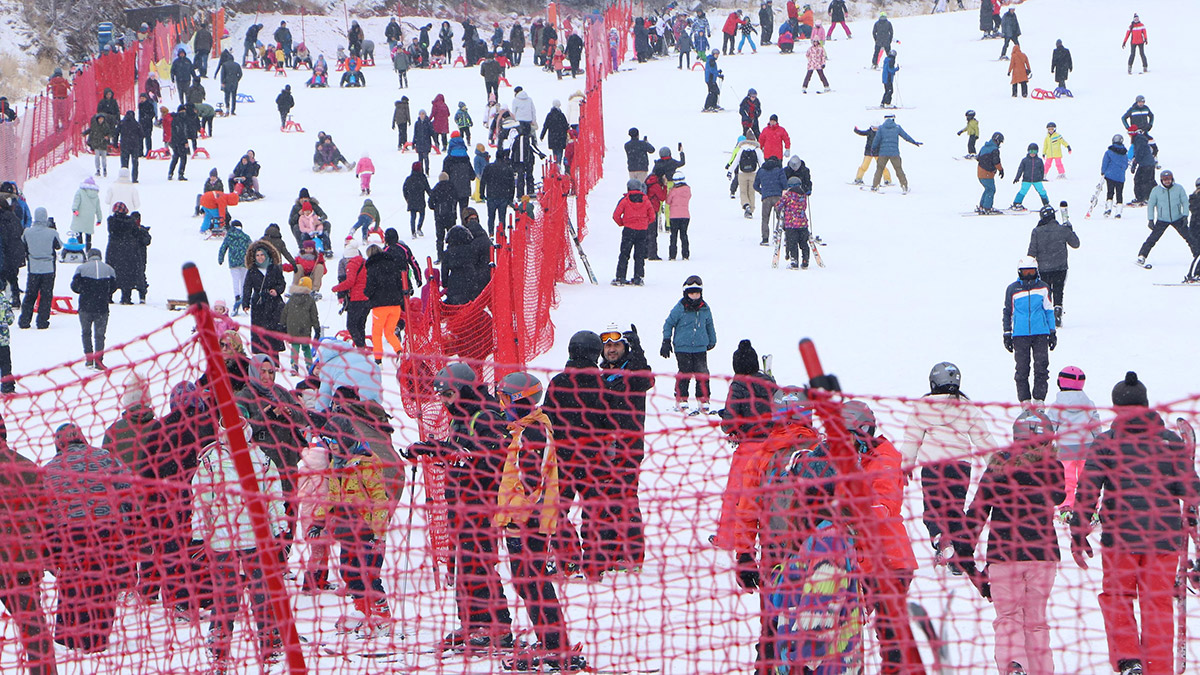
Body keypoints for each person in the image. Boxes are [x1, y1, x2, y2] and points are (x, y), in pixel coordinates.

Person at [1071, 371, 1200, 675]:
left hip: (1121, 540)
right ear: (1146, 405)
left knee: (1118, 597)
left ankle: (1129, 660)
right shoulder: (1170, 442)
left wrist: (1079, 532)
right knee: (1158, 606)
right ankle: (1158, 667)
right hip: (1164, 540)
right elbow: (1191, 492)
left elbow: (1088, 489)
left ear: (1117, 408)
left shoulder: (1106, 442)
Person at [489, 372, 587, 673]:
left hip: (528, 521)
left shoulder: (533, 432)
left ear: (519, 400)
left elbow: (531, 482)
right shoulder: (524, 430)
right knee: (527, 582)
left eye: (506, 399)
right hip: (525, 518)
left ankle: (555, 645)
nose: (503, 405)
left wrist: (517, 518)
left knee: (532, 582)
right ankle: (552, 641)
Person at [964, 410, 1063, 675]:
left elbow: (978, 510)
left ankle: (1014, 666)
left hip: (1004, 554)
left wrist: (966, 553)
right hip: (1042, 555)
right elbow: (1059, 495)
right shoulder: (1053, 467)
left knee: (1008, 618)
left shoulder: (999, 463)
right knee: (1036, 622)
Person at [190, 419, 287, 671]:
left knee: (252, 594)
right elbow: (201, 501)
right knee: (235, 595)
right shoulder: (214, 461)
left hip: (249, 540)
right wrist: (199, 535)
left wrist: (279, 531)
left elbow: (274, 499)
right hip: (231, 540)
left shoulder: (260, 459)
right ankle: (224, 648)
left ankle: (264, 645)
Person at [43, 423, 136, 653]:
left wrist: (52, 546)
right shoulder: (105, 458)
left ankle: (67, 636)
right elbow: (128, 487)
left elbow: (44, 510)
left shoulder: (50, 469)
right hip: (106, 529)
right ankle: (97, 638)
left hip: (70, 533)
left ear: (58, 443)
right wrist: (125, 519)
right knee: (103, 581)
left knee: (72, 583)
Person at [899, 362, 995, 570]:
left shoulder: (923, 407)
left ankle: (941, 539)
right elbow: (983, 437)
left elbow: (912, 439)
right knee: (955, 509)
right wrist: (996, 465)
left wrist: (905, 465)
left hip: (933, 466)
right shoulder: (966, 406)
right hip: (961, 467)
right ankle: (958, 554)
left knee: (933, 508)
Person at [1003, 256, 1056, 406]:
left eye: (1031, 272)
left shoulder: (1043, 287)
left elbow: (1049, 310)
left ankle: (1039, 400)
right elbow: (1008, 312)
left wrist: (1052, 332)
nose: (1028, 275)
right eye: (1025, 272)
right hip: (1020, 335)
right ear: (1019, 272)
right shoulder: (1012, 289)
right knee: (1021, 369)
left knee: (1041, 368)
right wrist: (1007, 333)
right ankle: (1025, 401)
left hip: (1040, 334)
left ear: (1036, 271)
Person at [1045, 367, 1100, 513]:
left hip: (1065, 448)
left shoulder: (1057, 405)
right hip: (1086, 446)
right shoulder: (1089, 403)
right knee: (1086, 478)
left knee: (1067, 478)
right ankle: (1090, 506)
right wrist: (1098, 441)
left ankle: (1066, 504)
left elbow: (1050, 426)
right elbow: (1095, 425)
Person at [661, 275, 716, 413]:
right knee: (685, 372)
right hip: (682, 347)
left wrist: (712, 340)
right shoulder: (680, 308)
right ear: (686, 293)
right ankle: (681, 398)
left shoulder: (705, 308)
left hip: (700, 347)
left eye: (697, 293)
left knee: (702, 373)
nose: (695, 296)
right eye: (691, 293)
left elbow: (709, 324)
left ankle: (703, 399)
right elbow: (668, 324)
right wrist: (666, 340)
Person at [1138, 170, 1196, 268]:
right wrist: (1150, 219)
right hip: (1162, 219)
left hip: (1178, 218)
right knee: (1152, 238)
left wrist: (1185, 215)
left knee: (1189, 238)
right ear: (1161, 180)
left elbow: (1185, 202)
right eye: (1164, 179)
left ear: (1172, 179)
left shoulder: (1179, 188)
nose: (1167, 181)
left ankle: (1197, 255)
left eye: (1169, 179)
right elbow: (1151, 205)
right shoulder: (1156, 190)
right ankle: (1142, 256)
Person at [241, 239, 286, 360]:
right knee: (259, 334)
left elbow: (282, 283)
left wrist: (276, 290)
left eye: (262, 255)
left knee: (273, 334)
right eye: (257, 255)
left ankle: (275, 362)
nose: (260, 258)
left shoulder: (275, 268)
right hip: (258, 305)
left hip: (273, 305)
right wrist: (245, 303)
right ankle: (261, 362)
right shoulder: (252, 271)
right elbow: (247, 287)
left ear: (267, 255)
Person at [19, 207, 61, 330]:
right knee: (46, 295)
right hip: (48, 268)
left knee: (30, 294)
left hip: (33, 268)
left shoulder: (27, 232)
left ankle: (25, 320)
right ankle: (42, 321)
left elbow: (23, 245)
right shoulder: (52, 233)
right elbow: (58, 246)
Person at [611, 179, 655, 286]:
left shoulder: (625, 200)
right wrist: (644, 223)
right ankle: (638, 278)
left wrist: (623, 223)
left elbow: (616, 215)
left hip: (629, 230)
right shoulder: (646, 200)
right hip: (642, 231)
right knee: (639, 255)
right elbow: (652, 216)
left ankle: (620, 277)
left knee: (624, 254)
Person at [871, 113, 919, 193]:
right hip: (894, 153)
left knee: (879, 169)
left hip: (883, 153)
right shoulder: (897, 127)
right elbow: (905, 136)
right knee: (898, 169)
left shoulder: (881, 128)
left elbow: (876, 140)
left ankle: (875, 186)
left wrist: (873, 148)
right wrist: (914, 142)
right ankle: (904, 186)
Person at [774, 177, 811, 269]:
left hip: (791, 224)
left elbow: (779, 205)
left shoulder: (788, 195)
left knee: (793, 243)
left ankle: (794, 261)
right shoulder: (803, 195)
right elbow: (804, 207)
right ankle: (805, 260)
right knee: (803, 243)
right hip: (803, 224)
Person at [753, 154, 787, 246]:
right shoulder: (779, 170)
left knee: (765, 218)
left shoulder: (761, 171)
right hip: (778, 197)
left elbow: (755, 185)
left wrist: (762, 191)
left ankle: (765, 239)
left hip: (766, 198)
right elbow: (785, 185)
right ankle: (779, 234)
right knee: (781, 217)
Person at [480, 149, 515, 237]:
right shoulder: (508, 168)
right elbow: (512, 185)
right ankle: (501, 234)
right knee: (502, 217)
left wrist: (481, 193)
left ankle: (491, 233)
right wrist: (511, 197)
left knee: (491, 217)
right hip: (504, 196)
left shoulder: (489, 167)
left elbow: (483, 181)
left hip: (491, 195)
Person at [1011, 143, 1049, 211]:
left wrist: (1041, 177)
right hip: (1027, 179)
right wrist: (1017, 177)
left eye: (1035, 151)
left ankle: (1046, 204)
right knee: (1023, 191)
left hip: (1037, 180)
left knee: (1042, 191)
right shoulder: (1025, 160)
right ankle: (1017, 203)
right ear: (1028, 151)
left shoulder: (1039, 160)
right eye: (1031, 151)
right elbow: (1020, 169)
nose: (1032, 153)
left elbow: (1042, 169)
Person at [70, 176, 102, 253]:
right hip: (89, 219)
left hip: (80, 216)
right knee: (88, 235)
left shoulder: (80, 192)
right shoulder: (96, 195)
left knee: (79, 233)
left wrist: (75, 210)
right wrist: (99, 219)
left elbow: (76, 202)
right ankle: (88, 251)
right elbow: (98, 208)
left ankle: (80, 250)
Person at [1100, 135, 1129, 218]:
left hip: (1110, 175)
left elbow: (1105, 162)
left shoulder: (1108, 152)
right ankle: (1118, 212)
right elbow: (1126, 165)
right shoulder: (1124, 154)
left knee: (1110, 192)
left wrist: (1103, 172)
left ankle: (1108, 209)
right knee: (1119, 193)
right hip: (1120, 177)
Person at [976, 131, 1005, 214]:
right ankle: (987, 207)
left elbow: (978, 158)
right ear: (997, 140)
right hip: (987, 173)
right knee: (991, 190)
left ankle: (982, 206)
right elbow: (996, 162)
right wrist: (1001, 170)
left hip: (980, 172)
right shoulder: (994, 150)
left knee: (987, 189)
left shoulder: (984, 147)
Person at [666, 174, 692, 261]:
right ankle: (685, 254)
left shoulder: (673, 191)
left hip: (674, 216)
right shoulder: (688, 190)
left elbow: (668, 201)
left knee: (673, 236)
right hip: (685, 216)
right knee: (684, 235)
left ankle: (672, 255)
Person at [1128, 129, 1157, 207]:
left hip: (1146, 164)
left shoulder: (1139, 140)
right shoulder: (1139, 139)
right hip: (1147, 163)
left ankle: (1143, 198)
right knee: (1149, 181)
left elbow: (1139, 153)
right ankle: (1151, 197)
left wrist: (1135, 163)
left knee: (1142, 181)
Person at [117, 111, 143, 183]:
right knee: (135, 163)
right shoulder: (136, 124)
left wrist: (115, 143)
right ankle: (134, 178)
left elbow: (116, 133)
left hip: (124, 145)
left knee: (124, 163)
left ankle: (124, 177)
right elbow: (141, 135)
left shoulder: (122, 123)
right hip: (134, 145)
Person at [83, 113, 113, 177]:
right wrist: (84, 133)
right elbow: (90, 130)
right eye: (99, 119)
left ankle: (104, 169)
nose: (100, 120)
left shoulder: (106, 126)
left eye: (102, 119)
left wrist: (108, 136)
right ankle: (98, 169)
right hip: (96, 143)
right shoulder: (95, 126)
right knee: (97, 157)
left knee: (104, 157)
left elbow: (110, 133)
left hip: (103, 144)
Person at [412, 109, 434, 174]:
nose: (421, 115)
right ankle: (421, 171)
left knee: (426, 157)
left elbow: (432, 133)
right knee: (420, 159)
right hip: (419, 143)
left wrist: (436, 141)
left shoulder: (428, 123)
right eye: (420, 114)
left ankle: (427, 170)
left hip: (426, 142)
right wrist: (413, 143)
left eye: (423, 114)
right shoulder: (417, 123)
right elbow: (415, 134)